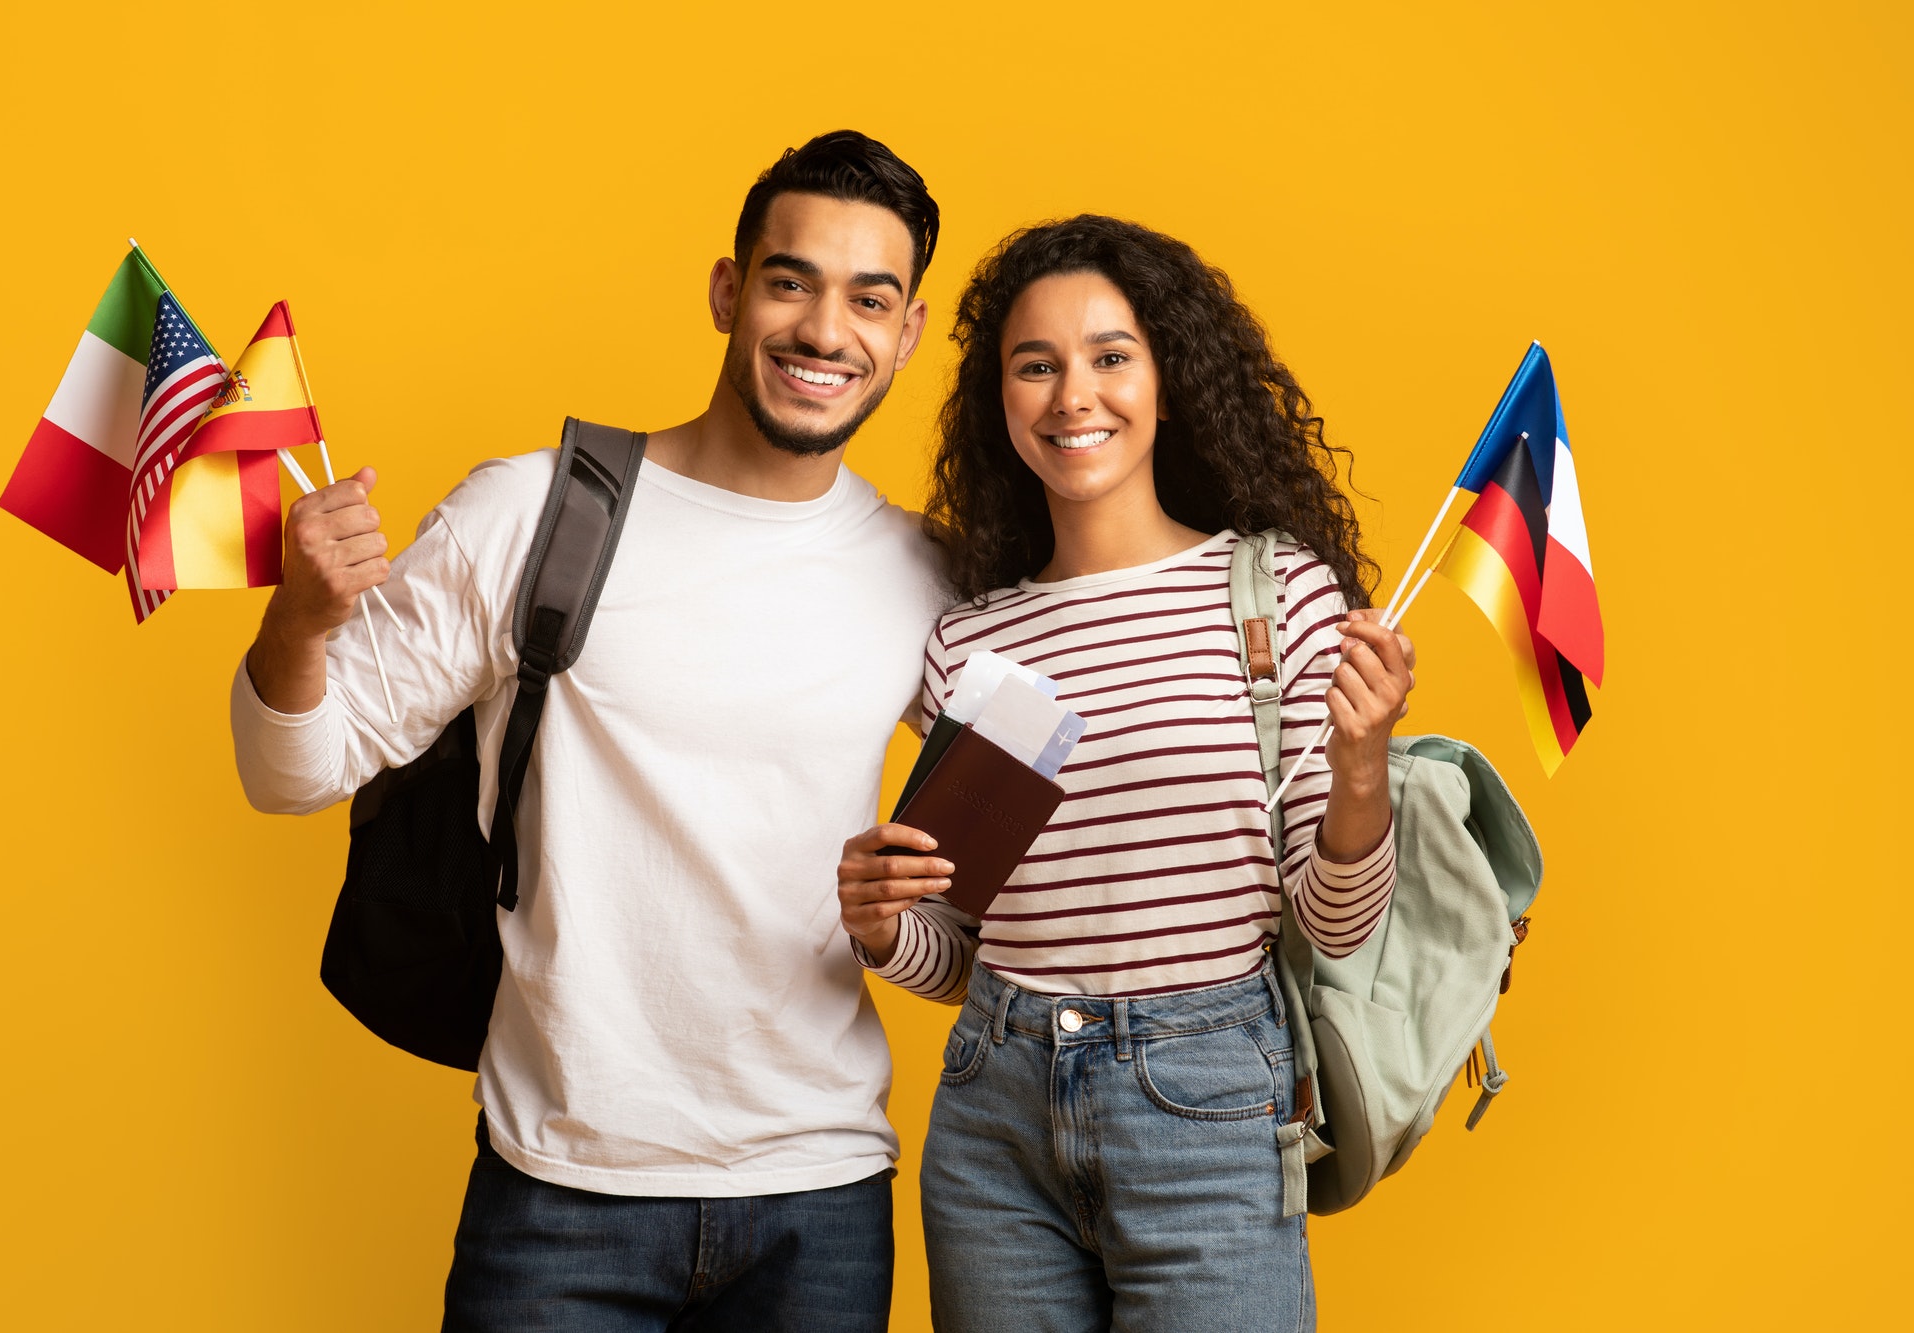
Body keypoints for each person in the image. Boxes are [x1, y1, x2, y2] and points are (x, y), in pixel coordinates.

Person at [231, 131, 950, 1332]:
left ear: (907, 330)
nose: (826, 331)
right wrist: (299, 621)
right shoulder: (532, 510)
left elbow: (1030, 831)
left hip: (820, 1198)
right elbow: (289, 771)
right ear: (728, 291)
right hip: (558, 1196)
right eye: (790, 281)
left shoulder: (920, 571)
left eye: (867, 299)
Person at [836, 215, 1416, 1332]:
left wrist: (1358, 765)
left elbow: (1334, 925)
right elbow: (959, 952)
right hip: (992, 1112)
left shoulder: (1271, 595)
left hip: (1205, 1097)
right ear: (995, 397)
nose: (1072, 396)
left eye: (1109, 356)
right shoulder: (968, 644)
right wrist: (877, 928)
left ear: (1165, 379)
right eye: (1035, 365)